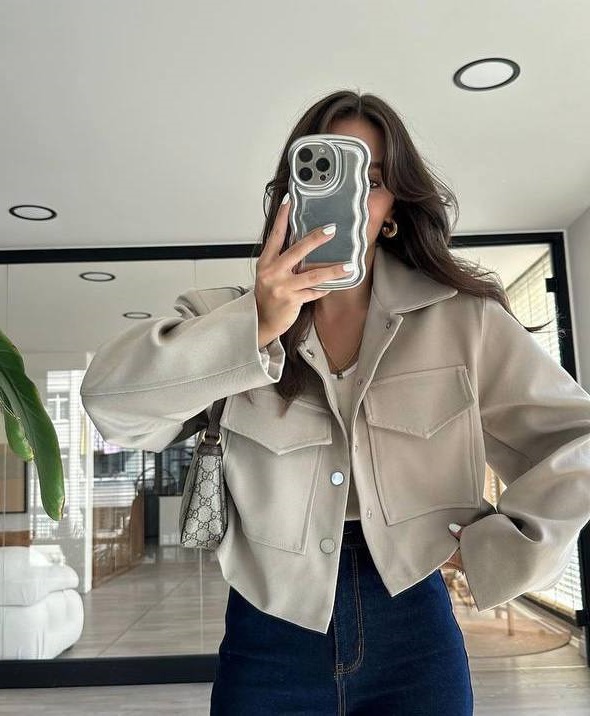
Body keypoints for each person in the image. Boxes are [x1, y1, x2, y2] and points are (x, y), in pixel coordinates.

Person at [80, 90, 590, 715]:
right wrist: (256, 324)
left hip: (414, 629)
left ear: (394, 207)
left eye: (370, 180)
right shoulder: (222, 318)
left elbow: (577, 441)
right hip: (268, 633)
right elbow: (110, 405)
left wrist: (507, 550)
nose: (350, 198)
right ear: (291, 195)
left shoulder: (464, 321)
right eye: (324, 174)